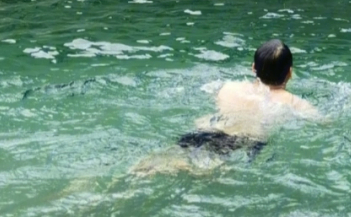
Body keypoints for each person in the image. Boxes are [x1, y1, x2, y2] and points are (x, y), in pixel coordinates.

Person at [135, 39, 322, 174]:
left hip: (204, 132)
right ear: (289, 73)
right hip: (239, 144)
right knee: (200, 171)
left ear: (252, 68)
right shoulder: (292, 102)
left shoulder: (229, 87)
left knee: (151, 166)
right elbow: (324, 122)